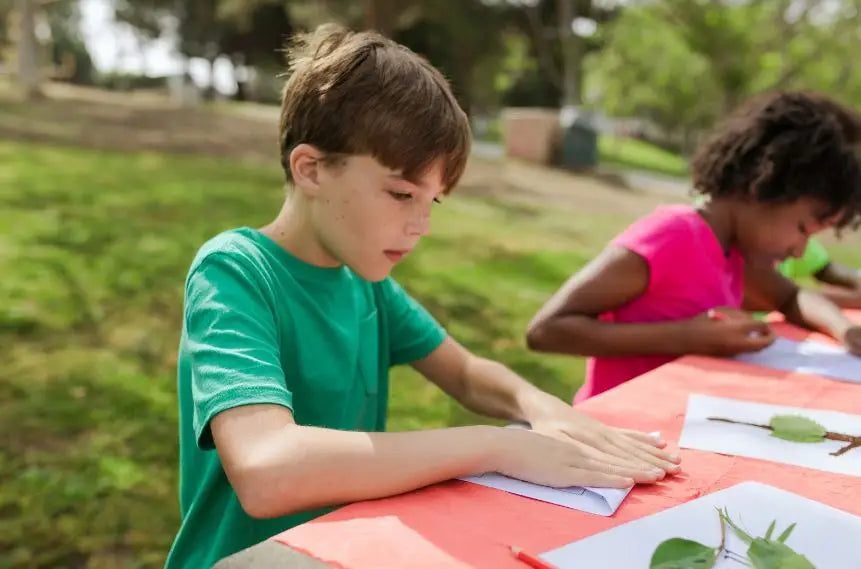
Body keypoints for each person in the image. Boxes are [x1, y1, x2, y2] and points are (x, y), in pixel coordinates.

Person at [164, 24, 679, 569]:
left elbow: (465, 373)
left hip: (338, 552)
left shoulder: (366, 283)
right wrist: (498, 445)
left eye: (434, 201)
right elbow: (268, 469)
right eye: (402, 194)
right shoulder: (236, 272)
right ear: (310, 168)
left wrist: (543, 409)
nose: (421, 225)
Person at [525, 91, 861, 404]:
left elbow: (791, 298)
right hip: (616, 427)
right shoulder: (673, 236)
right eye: (802, 229)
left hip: (673, 424)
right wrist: (687, 337)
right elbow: (547, 330)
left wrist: (844, 330)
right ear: (763, 188)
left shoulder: (735, 252)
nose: (800, 251)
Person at [777, 237, 861, 309]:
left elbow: (823, 267)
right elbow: (783, 297)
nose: (799, 252)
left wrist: (857, 279)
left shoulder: (796, 232)